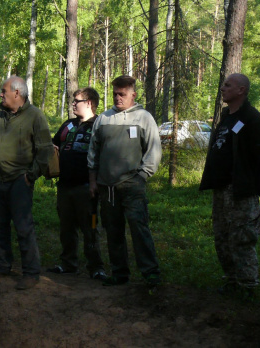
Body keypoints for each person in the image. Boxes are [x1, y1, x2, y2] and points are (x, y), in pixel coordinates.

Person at [87, 75, 162, 287]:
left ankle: (150, 273)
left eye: (122, 94)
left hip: (132, 185)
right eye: (115, 94)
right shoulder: (104, 119)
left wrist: (142, 176)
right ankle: (119, 273)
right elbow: (93, 152)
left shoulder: (144, 117)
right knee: (113, 230)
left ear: (133, 95)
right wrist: (94, 181)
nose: (118, 98)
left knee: (139, 229)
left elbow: (154, 150)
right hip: (106, 186)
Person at [199, 73, 260, 298]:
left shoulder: (252, 119)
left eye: (228, 85)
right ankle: (232, 280)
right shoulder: (227, 116)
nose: (222, 88)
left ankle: (248, 286)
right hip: (221, 189)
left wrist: (250, 184)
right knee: (222, 236)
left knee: (242, 237)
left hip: (240, 191)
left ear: (241, 90)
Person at [0, 75, 53, 290]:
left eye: (3, 91)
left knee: (23, 227)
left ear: (17, 93)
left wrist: (31, 176)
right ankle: (2, 265)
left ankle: (31, 272)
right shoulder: (1, 116)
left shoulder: (35, 117)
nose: (0, 95)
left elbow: (45, 150)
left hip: (19, 181)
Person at [48, 87, 107, 280]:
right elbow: (55, 143)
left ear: (89, 103)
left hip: (87, 189)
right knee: (66, 227)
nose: (73, 104)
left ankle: (96, 266)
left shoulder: (100, 124)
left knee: (91, 227)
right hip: (65, 186)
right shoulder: (68, 124)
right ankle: (68, 263)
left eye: (77, 101)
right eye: (73, 101)